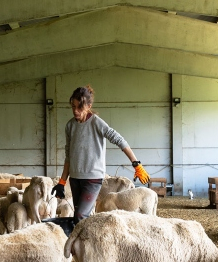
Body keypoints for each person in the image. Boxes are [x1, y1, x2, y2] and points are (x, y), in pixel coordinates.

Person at [52, 85, 150, 221]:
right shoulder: (70, 126)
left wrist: (136, 164)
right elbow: (69, 155)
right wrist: (62, 182)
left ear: (89, 106)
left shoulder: (96, 123)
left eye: (79, 107)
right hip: (75, 178)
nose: (75, 111)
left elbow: (119, 139)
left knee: (81, 215)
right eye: (73, 106)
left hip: (92, 178)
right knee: (78, 216)